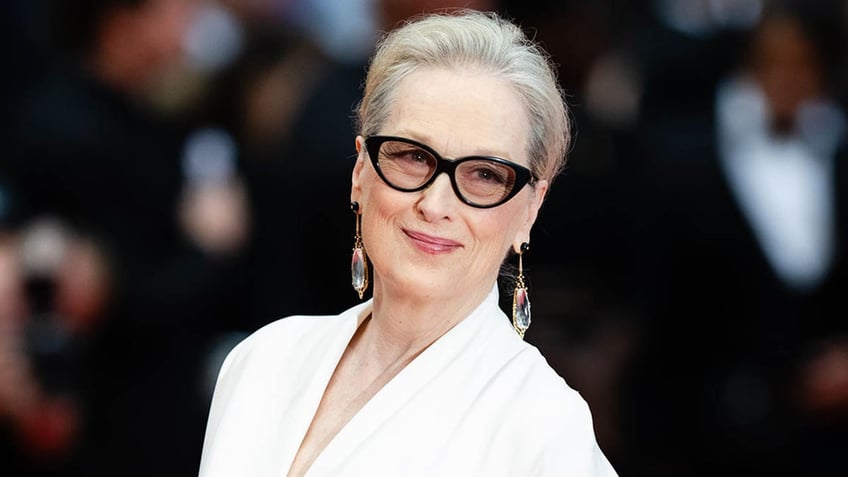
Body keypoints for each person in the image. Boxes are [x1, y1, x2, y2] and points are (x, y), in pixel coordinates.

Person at [199, 10, 617, 476]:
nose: (435, 204)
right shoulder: (262, 361)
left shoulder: (541, 429)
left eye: (484, 174)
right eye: (414, 156)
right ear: (361, 172)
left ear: (530, 209)